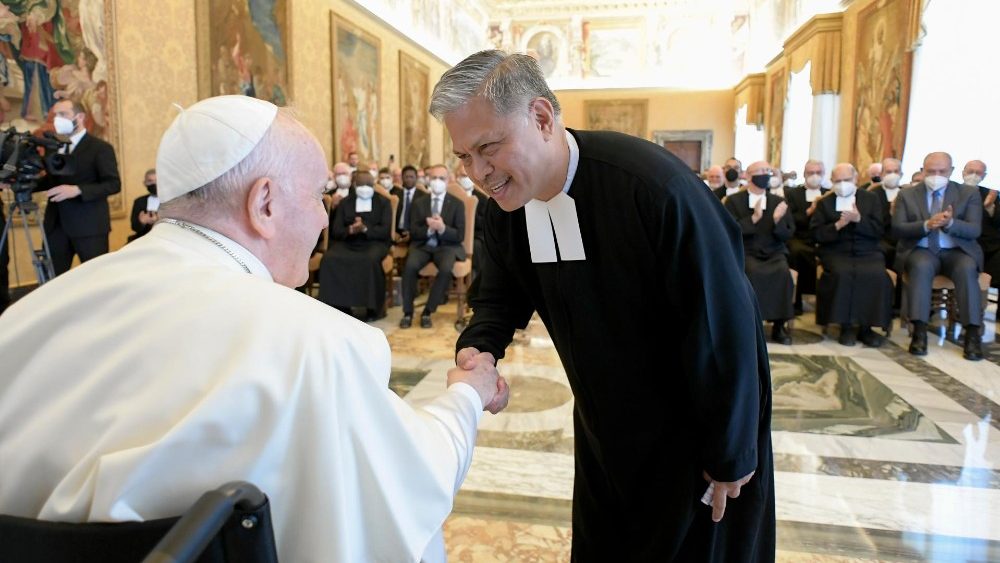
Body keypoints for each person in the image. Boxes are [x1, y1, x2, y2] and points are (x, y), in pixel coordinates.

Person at [0, 95, 504, 562]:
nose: (323, 221)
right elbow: (410, 481)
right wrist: (465, 397)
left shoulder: (29, 313)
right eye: (316, 196)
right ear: (263, 203)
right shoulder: (316, 344)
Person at [433, 50, 774, 562]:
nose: (478, 172)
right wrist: (480, 347)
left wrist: (730, 452)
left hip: (695, 430)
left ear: (542, 118)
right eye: (464, 156)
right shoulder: (506, 207)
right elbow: (497, 297)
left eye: (488, 148)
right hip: (604, 425)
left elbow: (721, 325)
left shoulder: (654, 189)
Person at [893, 152, 984, 360]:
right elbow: (897, 229)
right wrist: (926, 225)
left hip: (956, 252)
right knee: (921, 266)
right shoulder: (907, 194)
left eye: (941, 171)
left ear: (951, 171)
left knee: (967, 267)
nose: (936, 175)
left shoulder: (967, 193)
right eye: (931, 171)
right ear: (923, 170)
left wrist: (950, 224)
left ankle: (972, 334)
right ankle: (920, 331)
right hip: (922, 249)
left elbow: (974, 230)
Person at [34, 98, 121, 276]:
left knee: (95, 280)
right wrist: (23, 183)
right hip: (55, 226)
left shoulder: (100, 148)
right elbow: (52, 181)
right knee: (52, 281)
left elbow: (113, 184)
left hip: (89, 227)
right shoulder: (53, 148)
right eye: (55, 115)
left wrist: (77, 190)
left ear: (80, 117)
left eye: (63, 114)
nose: (57, 119)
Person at [811, 163, 892, 347]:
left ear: (855, 179)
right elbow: (816, 234)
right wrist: (837, 225)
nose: (842, 184)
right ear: (831, 181)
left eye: (846, 180)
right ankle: (845, 326)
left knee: (876, 274)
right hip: (836, 251)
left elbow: (879, 230)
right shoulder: (825, 202)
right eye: (838, 181)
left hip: (867, 250)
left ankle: (866, 328)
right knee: (842, 273)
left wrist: (858, 220)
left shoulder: (871, 199)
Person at [725, 161, 796, 345]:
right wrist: (754, 218)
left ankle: (779, 326)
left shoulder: (778, 202)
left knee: (782, 273)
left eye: (768, 171)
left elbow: (788, 233)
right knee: (753, 273)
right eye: (761, 171)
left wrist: (777, 220)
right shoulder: (734, 201)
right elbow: (728, 231)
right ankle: (752, 325)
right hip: (747, 252)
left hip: (774, 252)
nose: (765, 174)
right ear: (748, 176)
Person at [318, 171, 392, 320]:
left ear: (373, 185)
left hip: (374, 243)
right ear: (354, 185)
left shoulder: (383, 202)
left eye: (368, 185)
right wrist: (350, 229)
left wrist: (365, 229)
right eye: (361, 184)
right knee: (329, 258)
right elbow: (336, 230)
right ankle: (339, 306)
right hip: (348, 242)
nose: (365, 188)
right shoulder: (346, 202)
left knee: (369, 260)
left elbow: (385, 230)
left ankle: (371, 309)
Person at [399, 164, 466, 329]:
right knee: (409, 266)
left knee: (445, 269)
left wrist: (442, 228)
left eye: (441, 178)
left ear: (448, 180)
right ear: (429, 180)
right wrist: (429, 229)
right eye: (434, 178)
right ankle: (408, 312)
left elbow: (459, 235)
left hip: (447, 247)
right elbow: (413, 231)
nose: (437, 181)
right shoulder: (419, 203)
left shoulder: (457, 204)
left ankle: (428, 311)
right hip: (422, 245)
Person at [784, 159, 829, 314]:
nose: (814, 176)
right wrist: (810, 211)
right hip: (800, 236)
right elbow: (790, 219)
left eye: (818, 173)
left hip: (823, 237)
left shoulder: (828, 194)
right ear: (804, 174)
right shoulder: (792, 194)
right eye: (811, 173)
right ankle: (796, 301)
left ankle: (824, 303)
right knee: (797, 253)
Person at [965, 160, 1000, 291]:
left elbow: (998, 221)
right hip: (963, 243)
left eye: (978, 173)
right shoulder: (953, 191)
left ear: (984, 176)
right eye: (970, 172)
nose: (973, 175)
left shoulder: (991, 195)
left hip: (989, 245)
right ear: (963, 172)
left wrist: (990, 208)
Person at [391, 165, 426, 239]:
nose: (409, 179)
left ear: (416, 178)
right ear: (402, 178)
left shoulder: (423, 196)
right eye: (406, 177)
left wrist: (412, 233)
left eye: (411, 177)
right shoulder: (395, 195)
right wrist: (393, 232)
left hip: (415, 233)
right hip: (397, 232)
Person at [128, 169, 159, 242]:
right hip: (143, 239)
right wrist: (141, 222)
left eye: (156, 180)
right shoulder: (139, 201)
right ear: (145, 183)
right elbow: (134, 227)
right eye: (150, 181)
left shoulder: (170, 200)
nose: (154, 184)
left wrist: (158, 220)